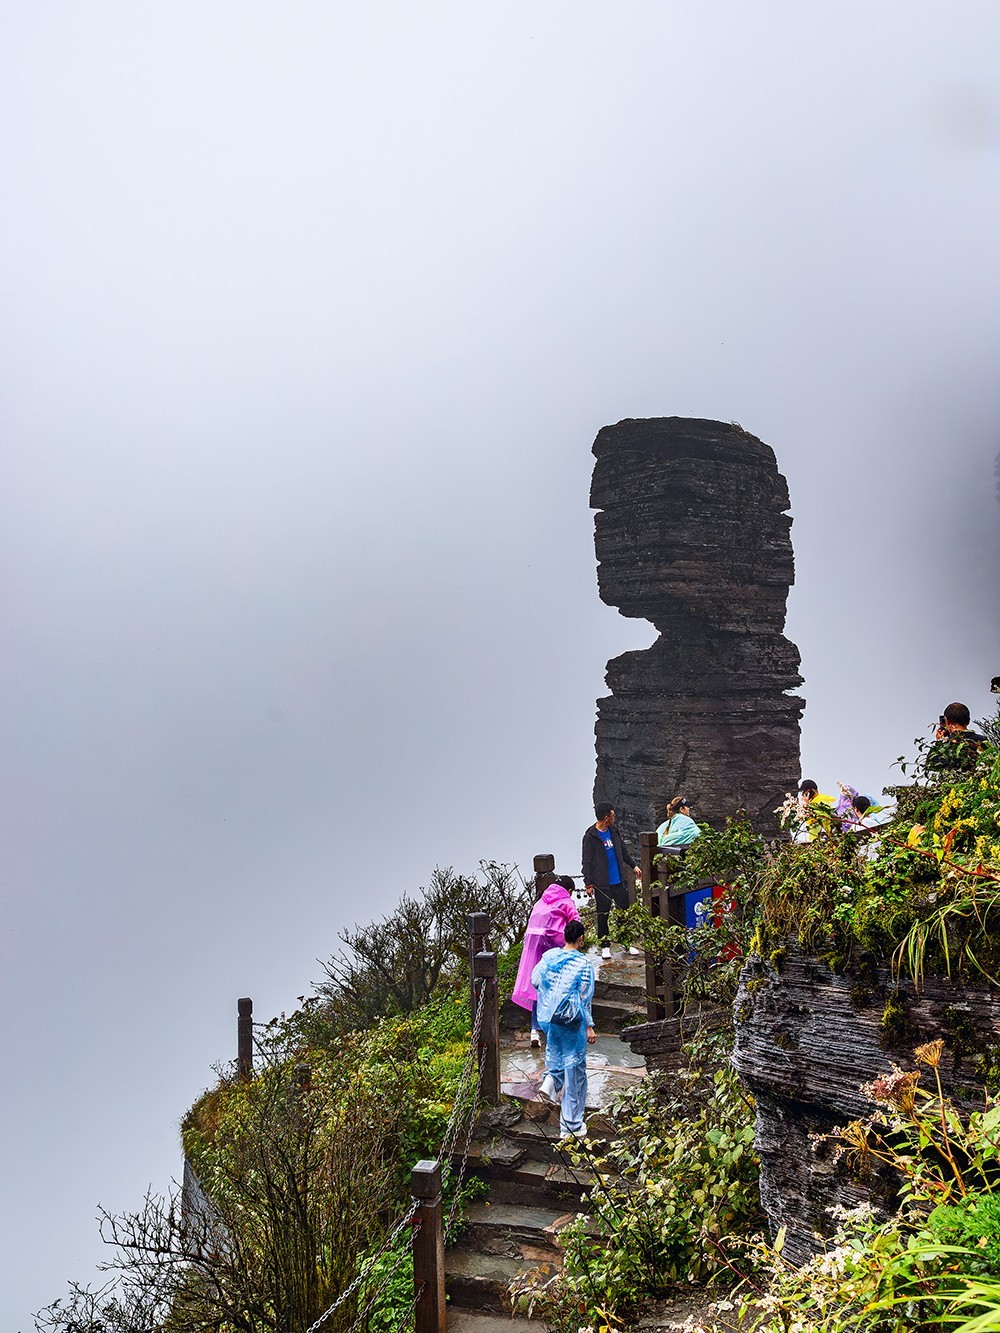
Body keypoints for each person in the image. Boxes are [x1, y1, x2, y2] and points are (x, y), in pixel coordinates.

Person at [532, 919, 596, 1138]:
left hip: (550, 1018)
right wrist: (589, 1026)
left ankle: (550, 1082)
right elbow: (585, 997)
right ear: (580, 939)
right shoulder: (584, 964)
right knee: (576, 1071)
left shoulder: (549, 957)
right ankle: (571, 1125)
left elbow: (535, 980)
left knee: (556, 1056)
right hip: (573, 1021)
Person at [511, 874, 581, 1048]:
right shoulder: (566, 901)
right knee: (558, 986)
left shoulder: (541, 901)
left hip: (534, 948)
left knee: (538, 986)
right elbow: (576, 923)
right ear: (569, 891)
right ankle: (556, 1030)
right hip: (554, 946)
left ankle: (535, 1030)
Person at [582, 802, 641, 960]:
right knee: (603, 915)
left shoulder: (614, 831)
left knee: (624, 912)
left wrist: (634, 866)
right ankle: (605, 946)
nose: (614, 818)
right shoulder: (590, 836)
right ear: (606, 817)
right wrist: (588, 883)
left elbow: (623, 851)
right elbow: (586, 862)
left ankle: (627, 943)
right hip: (602, 884)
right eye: (612, 815)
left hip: (618, 882)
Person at [927, 702, 986, 774]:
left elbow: (931, 764)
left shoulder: (945, 745)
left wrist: (941, 741)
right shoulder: (982, 740)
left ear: (946, 721)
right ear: (968, 721)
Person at [792, 779, 836, 844]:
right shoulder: (814, 803)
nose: (803, 794)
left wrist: (807, 807)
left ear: (812, 791)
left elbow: (816, 819)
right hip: (814, 840)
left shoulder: (821, 802)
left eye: (805, 792)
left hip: (823, 840)